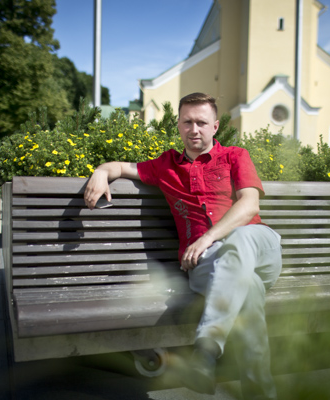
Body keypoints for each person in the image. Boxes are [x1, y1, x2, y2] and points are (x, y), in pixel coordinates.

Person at [84, 92, 282, 399]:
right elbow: (120, 167)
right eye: (187, 122)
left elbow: (249, 205)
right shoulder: (166, 165)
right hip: (209, 264)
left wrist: (207, 237)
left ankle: (205, 351)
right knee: (250, 289)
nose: (194, 129)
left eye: (201, 122)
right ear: (178, 125)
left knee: (240, 238)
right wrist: (101, 171)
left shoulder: (235, 156)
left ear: (215, 126)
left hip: (257, 246)